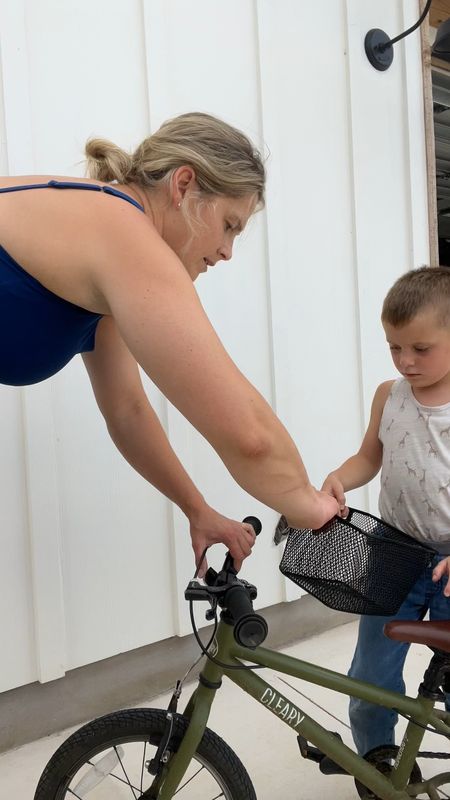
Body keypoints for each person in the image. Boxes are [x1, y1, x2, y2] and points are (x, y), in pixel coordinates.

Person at [0, 111, 338, 574]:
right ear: (183, 186)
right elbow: (248, 435)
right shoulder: (124, 236)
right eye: (229, 225)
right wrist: (310, 505)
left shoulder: (106, 254)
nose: (227, 251)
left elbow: (128, 411)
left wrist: (195, 507)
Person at [322, 265, 450, 756]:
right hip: (392, 553)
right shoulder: (388, 396)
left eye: (421, 349)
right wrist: (339, 478)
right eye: (395, 347)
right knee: (371, 674)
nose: (406, 361)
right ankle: (380, 759)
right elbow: (369, 457)